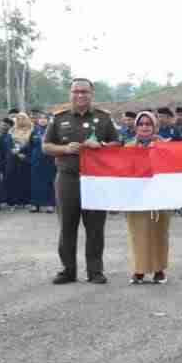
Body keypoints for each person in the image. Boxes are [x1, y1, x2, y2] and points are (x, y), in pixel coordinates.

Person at [42, 79, 121, 284]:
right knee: (67, 226)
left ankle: (95, 271)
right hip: (68, 179)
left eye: (84, 92)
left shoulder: (104, 118)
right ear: (70, 93)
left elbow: (117, 143)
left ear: (91, 94)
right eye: (76, 91)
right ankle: (68, 270)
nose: (80, 95)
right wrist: (65, 149)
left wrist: (101, 144)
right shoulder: (59, 118)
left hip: (96, 180)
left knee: (95, 227)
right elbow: (46, 146)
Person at [124, 112, 171, 285]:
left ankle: (159, 270)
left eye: (148, 124)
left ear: (154, 127)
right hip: (136, 197)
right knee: (138, 233)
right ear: (136, 127)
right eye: (141, 124)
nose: (144, 127)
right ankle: (139, 270)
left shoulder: (164, 145)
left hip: (160, 196)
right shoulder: (128, 147)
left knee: (159, 232)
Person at [30, 113, 56, 213]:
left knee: (48, 182)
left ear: (49, 120)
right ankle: (35, 204)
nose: (42, 120)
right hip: (36, 160)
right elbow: (30, 145)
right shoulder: (35, 130)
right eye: (40, 118)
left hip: (49, 159)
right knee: (36, 182)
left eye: (45, 118)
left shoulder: (53, 131)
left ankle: (49, 204)